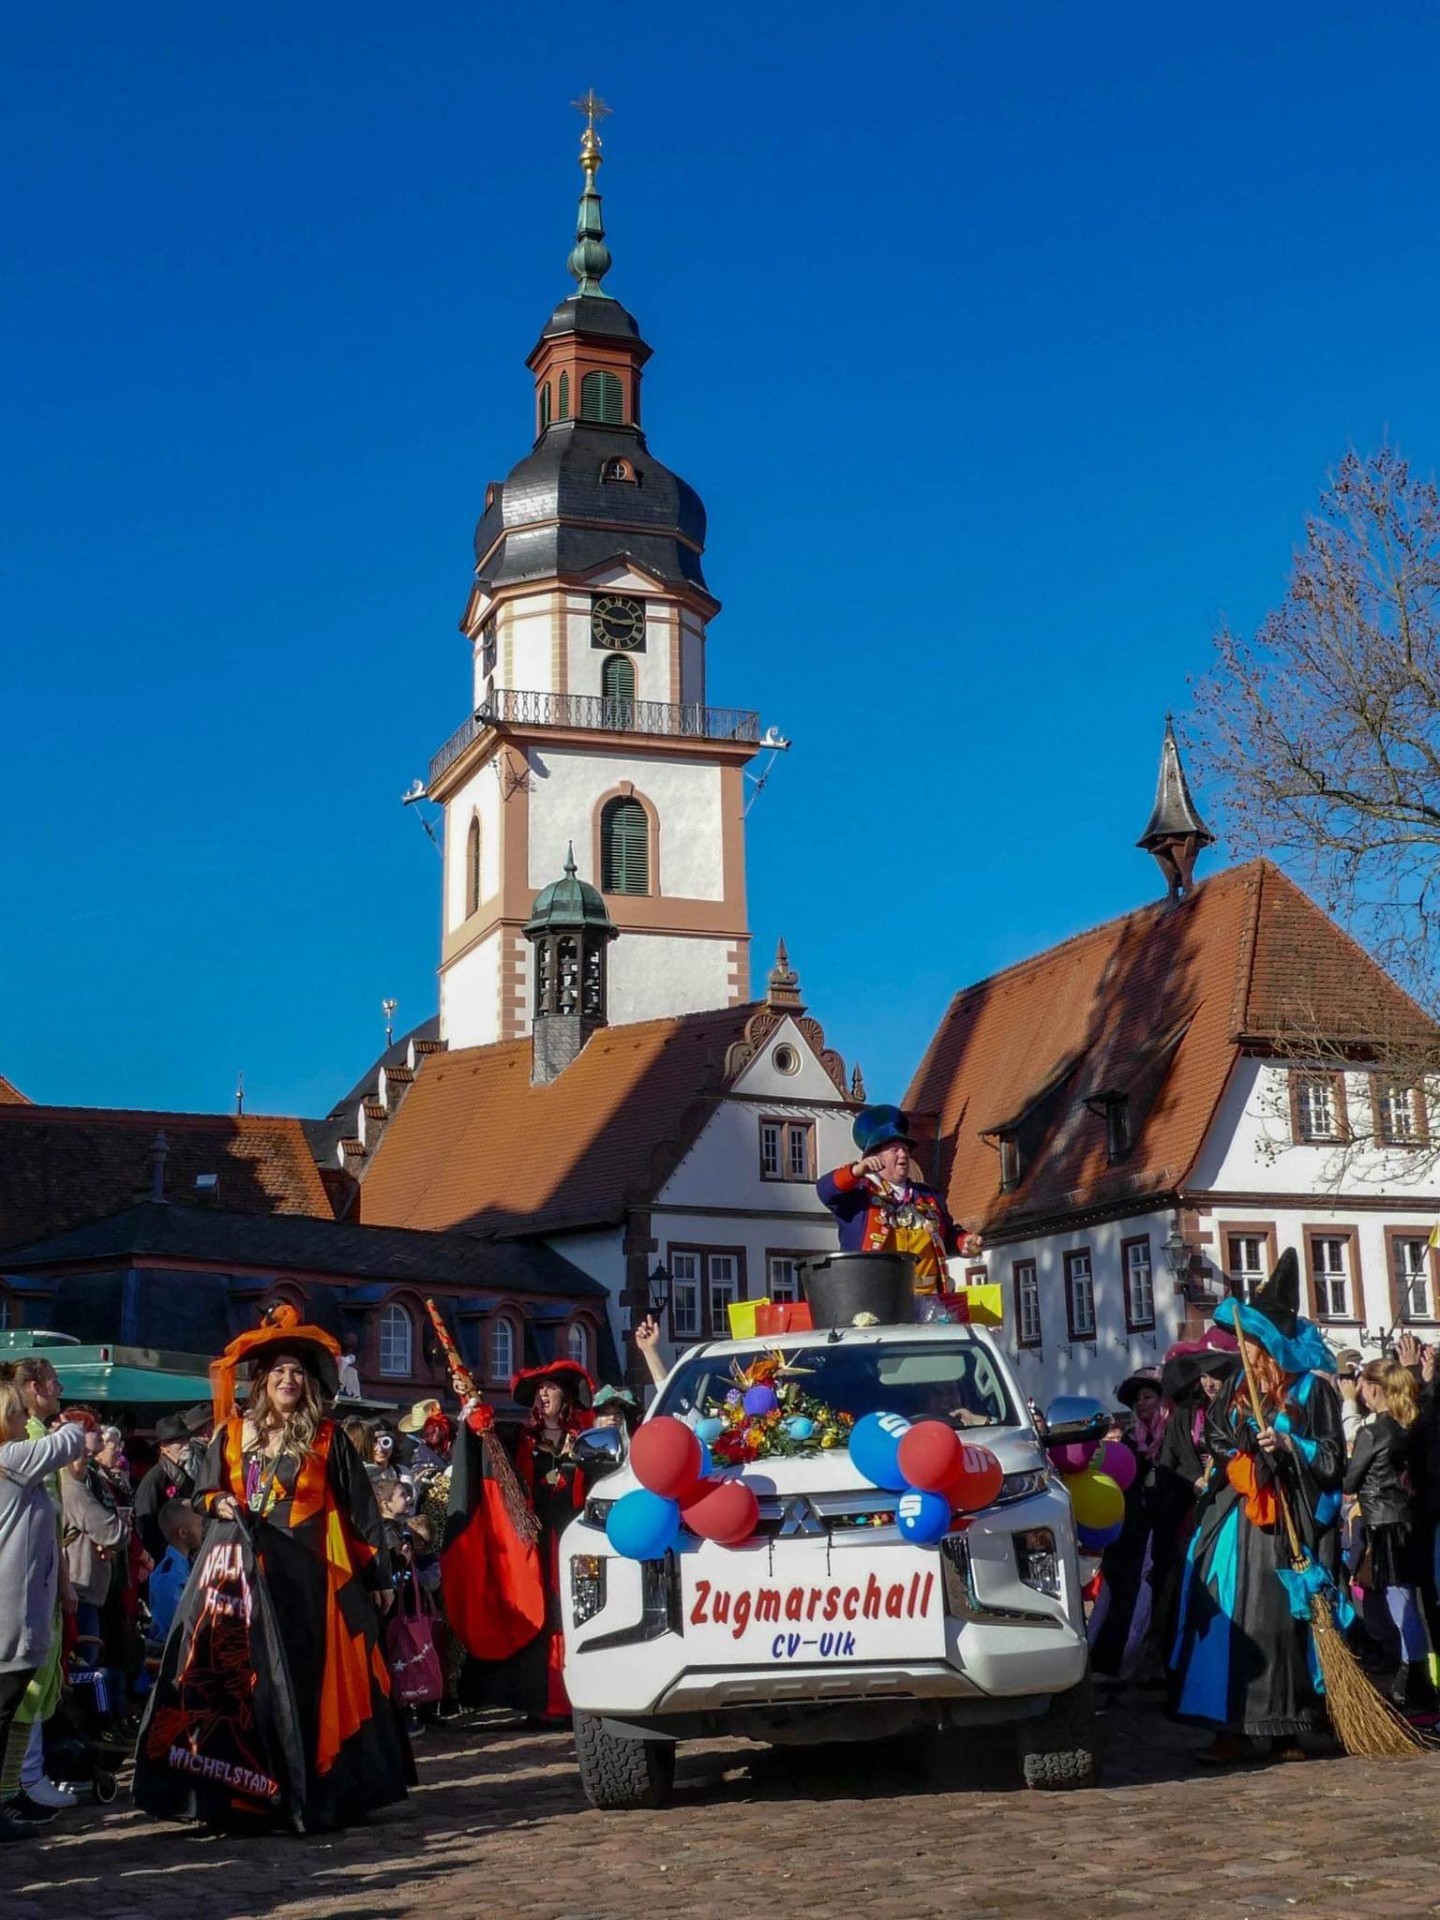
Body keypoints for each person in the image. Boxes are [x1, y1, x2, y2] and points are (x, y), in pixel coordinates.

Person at [135, 1303, 412, 1831]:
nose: (288, 1378)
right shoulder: (232, 1435)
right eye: (278, 1371)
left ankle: (307, 1795)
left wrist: (377, 1578)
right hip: (242, 1574)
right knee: (244, 1684)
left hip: (307, 1579)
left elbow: (362, 1511)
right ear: (261, 1382)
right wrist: (216, 1503)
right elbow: (204, 1493)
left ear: (306, 1384)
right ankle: (242, 1795)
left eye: (296, 1372)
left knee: (303, 1683)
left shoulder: (328, 1438)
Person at [1169, 1250, 1344, 1764]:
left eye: (1253, 1342)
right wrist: (1246, 1445)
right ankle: (1233, 1726)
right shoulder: (1238, 1389)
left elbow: (1334, 1458)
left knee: (1281, 1620)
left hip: (1290, 1521)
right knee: (1224, 1610)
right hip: (1240, 1513)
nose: (1244, 1349)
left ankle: (1289, 1726)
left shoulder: (1313, 1392)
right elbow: (1220, 1439)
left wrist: (1291, 1447)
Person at [460, 1358, 594, 1724]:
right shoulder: (520, 1439)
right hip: (536, 1539)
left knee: (575, 1613)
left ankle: (579, 1697)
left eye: (551, 1388)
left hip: (575, 1539)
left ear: (565, 1396)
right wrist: (471, 1409)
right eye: (540, 1390)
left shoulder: (584, 1440)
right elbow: (485, 1442)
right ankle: (545, 1701)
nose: (545, 1394)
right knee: (544, 1613)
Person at [0, 1379, 96, 1841]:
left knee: (12, 1704)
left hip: (19, 1603)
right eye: (18, 1414)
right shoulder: (9, 1458)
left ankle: (5, 1797)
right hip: (6, 1608)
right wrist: (66, 1424)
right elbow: (71, 1439)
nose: (25, 1422)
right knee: (4, 1706)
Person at [1345, 1357, 1437, 1714]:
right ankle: (1414, 1678)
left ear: (1374, 1389)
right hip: (1406, 1523)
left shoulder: (1373, 1432)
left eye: (1363, 1387)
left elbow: (1351, 1480)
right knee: (1409, 1606)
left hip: (1385, 1525)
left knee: (1401, 1609)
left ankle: (1415, 1681)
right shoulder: (1404, 1427)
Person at [816, 1104, 970, 1314]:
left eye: (906, 1149)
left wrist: (964, 1241)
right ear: (875, 1156)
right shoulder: (859, 1195)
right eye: (894, 1149)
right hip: (873, 1301)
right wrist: (856, 1171)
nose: (903, 1154)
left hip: (929, 1303)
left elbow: (948, 1237)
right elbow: (826, 1190)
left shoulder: (929, 1196)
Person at [1090, 1369, 1171, 1681]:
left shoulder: (1174, 1436)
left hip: (1162, 1530)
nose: (1141, 1404)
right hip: (1130, 1531)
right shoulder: (1128, 1441)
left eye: (1148, 1396)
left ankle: (1139, 1662)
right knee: (1121, 1590)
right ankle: (1110, 1662)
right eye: (1137, 1399)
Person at [59, 1411, 131, 1731]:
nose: (102, 1441)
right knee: (83, 1666)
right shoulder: (69, 1484)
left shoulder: (90, 1478)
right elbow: (111, 1530)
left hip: (90, 1584)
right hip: (77, 1585)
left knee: (92, 1659)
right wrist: (119, 1531)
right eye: (95, 1434)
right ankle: (86, 1731)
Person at [132, 1408, 208, 1563]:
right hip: (165, 1555)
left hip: (185, 1552)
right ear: (164, 1447)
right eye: (178, 1441)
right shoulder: (154, 1479)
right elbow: (144, 1523)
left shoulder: (185, 1474)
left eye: (186, 1439)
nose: (185, 1445)